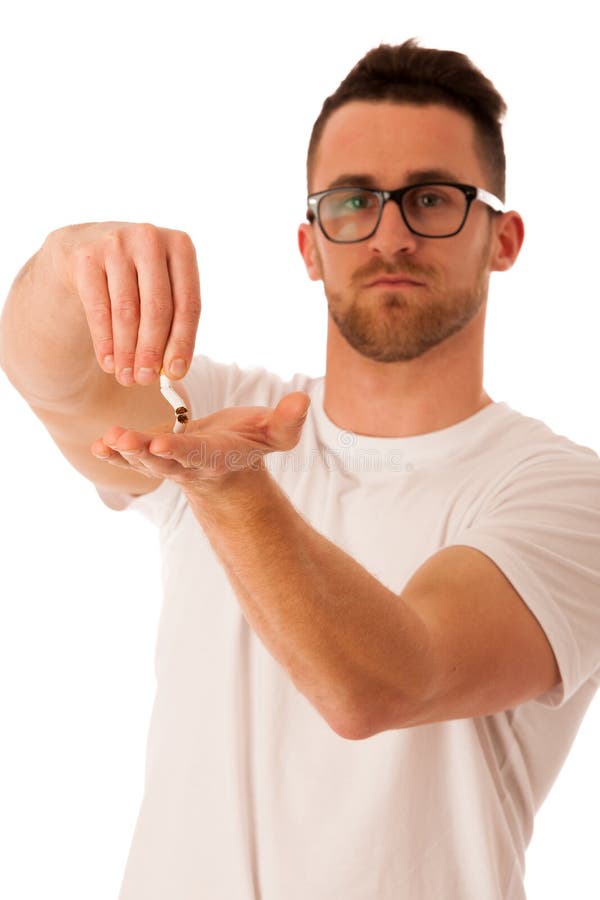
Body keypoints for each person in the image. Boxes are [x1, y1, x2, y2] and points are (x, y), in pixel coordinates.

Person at [1, 38, 599, 900]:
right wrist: (66, 264)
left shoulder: (563, 495)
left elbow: (389, 679)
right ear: (310, 243)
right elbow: (47, 376)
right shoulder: (218, 404)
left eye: (432, 198)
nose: (390, 235)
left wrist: (230, 491)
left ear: (502, 239)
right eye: (354, 202)